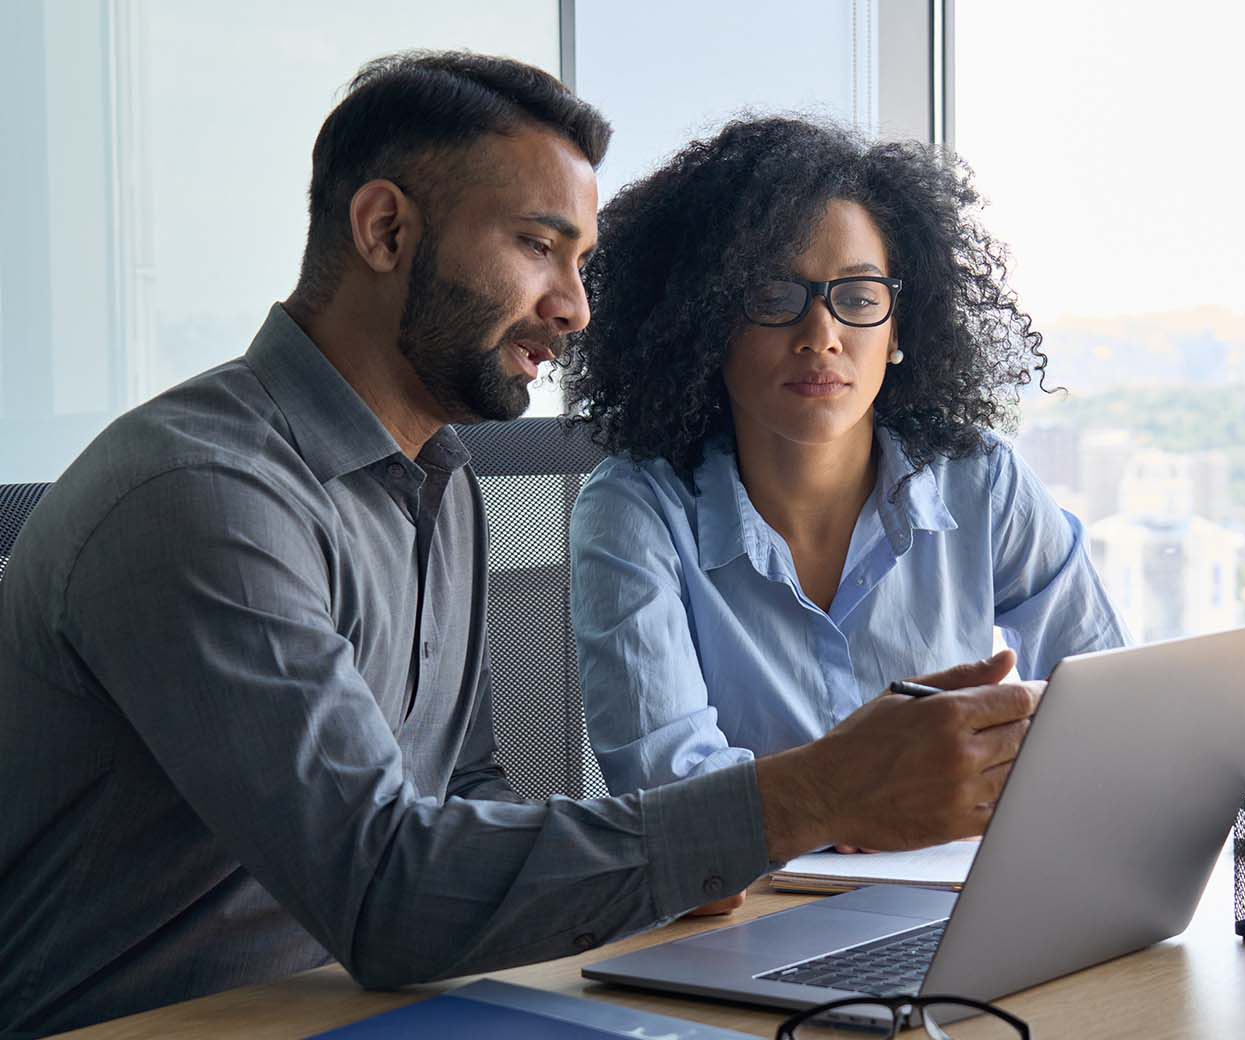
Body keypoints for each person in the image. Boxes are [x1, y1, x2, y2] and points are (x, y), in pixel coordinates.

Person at [0, 56, 1042, 1038]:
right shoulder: (205, 495)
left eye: (581, 263)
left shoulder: (439, 477)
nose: (576, 307)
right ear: (383, 229)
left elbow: (466, 792)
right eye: (539, 247)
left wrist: (681, 849)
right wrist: (804, 796)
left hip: (369, 1007)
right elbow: (383, 889)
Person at [565, 117, 1129, 913]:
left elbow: (1105, 704)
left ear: (900, 328)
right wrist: (854, 798)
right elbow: (678, 810)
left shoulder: (980, 481)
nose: (821, 335)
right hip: (740, 926)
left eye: (859, 298)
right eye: (773, 296)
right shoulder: (634, 510)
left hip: (961, 904)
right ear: (704, 323)